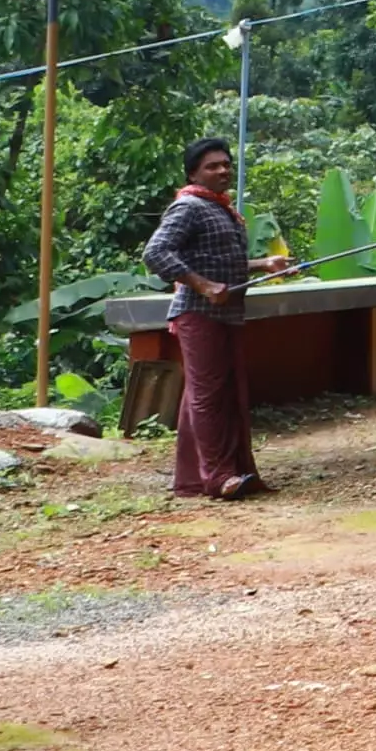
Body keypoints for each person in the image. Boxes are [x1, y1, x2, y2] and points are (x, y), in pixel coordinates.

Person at [142, 137, 286, 499]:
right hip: (199, 313)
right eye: (212, 166)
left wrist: (262, 264)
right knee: (209, 396)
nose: (223, 170)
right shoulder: (189, 206)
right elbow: (156, 253)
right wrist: (203, 286)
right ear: (194, 173)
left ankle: (203, 478)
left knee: (219, 392)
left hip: (228, 312)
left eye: (225, 164)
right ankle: (220, 476)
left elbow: (219, 260)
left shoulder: (220, 208)